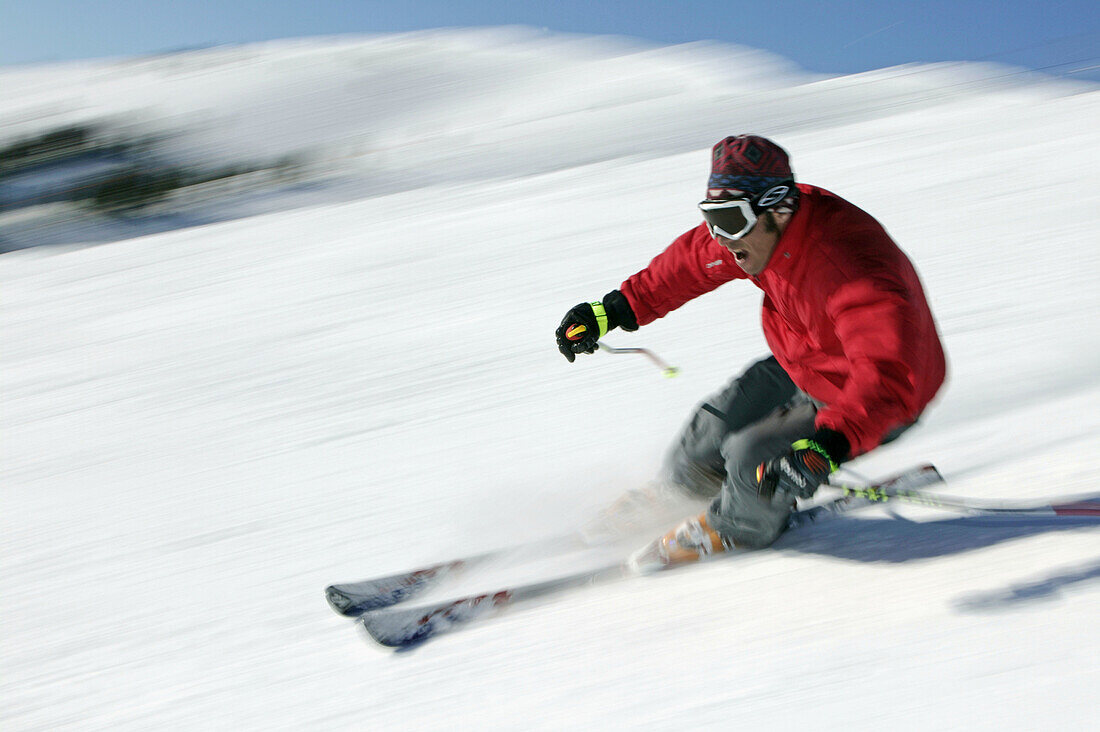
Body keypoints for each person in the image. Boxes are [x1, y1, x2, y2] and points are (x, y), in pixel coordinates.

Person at [555, 134, 947, 571]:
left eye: (729, 220)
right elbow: (688, 264)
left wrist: (826, 447)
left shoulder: (848, 266)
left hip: (876, 394)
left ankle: (738, 525)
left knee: (750, 455)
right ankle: (684, 492)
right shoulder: (755, 231)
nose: (721, 238)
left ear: (778, 208)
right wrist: (609, 312)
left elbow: (888, 374)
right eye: (712, 219)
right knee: (711, 428)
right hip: (806, 359)